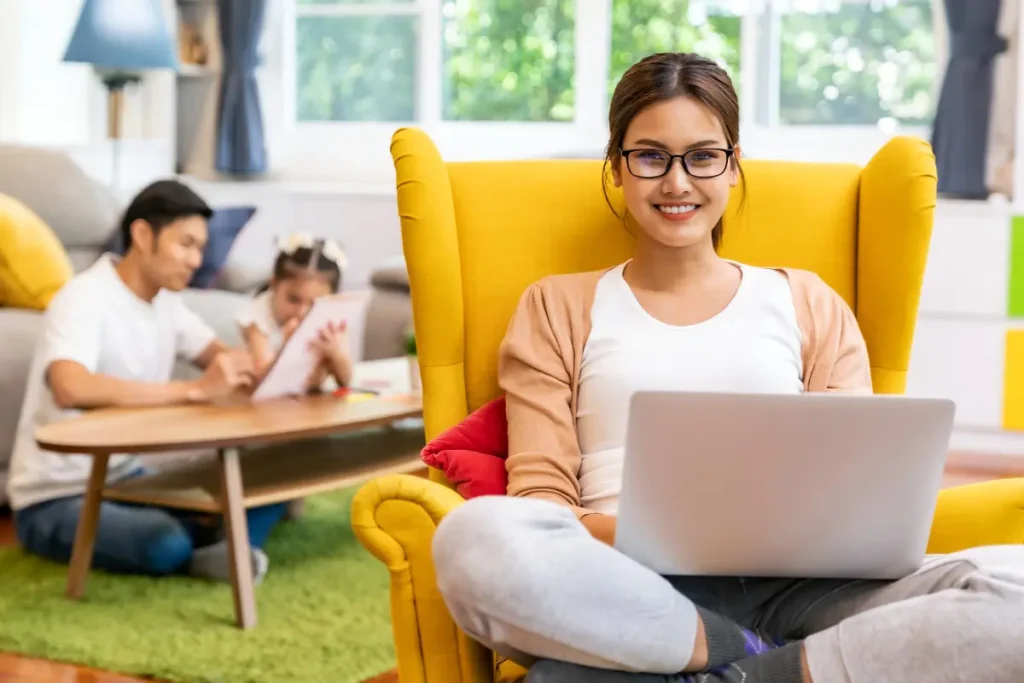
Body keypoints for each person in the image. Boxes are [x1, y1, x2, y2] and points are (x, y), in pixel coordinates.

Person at [430, 53, 1024, 683]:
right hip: (628, 589)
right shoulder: (556, 305)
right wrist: (665, 540)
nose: (677, 183)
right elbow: (540, 502)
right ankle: (730, 647)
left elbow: (855, 494)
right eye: (651, 157)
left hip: (806, 590)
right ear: (617, 167)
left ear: (734, 165)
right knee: (475, 540)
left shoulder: (808, 301)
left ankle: (746, 673)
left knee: (1014, 588)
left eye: (702, 157)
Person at [8, 179, 287, 584]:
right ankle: (215, 544)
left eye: (200, 248)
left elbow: (224, 360)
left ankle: (217, 544)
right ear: (142, 235)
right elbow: (71, 387)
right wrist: (193, 391)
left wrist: (278, 356)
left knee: (275, 479)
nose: (196, 260)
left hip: (127, 480)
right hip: (56, 497)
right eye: (186, 244)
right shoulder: (83, 297)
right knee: (163, 542)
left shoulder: (167, 303)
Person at [236, 232, 353, 391]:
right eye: (293, 299)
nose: (302, 312)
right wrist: (288, 347)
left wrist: (336, 354)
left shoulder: (329, 320)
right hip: (263, 402)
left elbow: (346, 380)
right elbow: (262, 381)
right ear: (274, 285)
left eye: (314, 304)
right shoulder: (257, 318)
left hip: (312, 401)